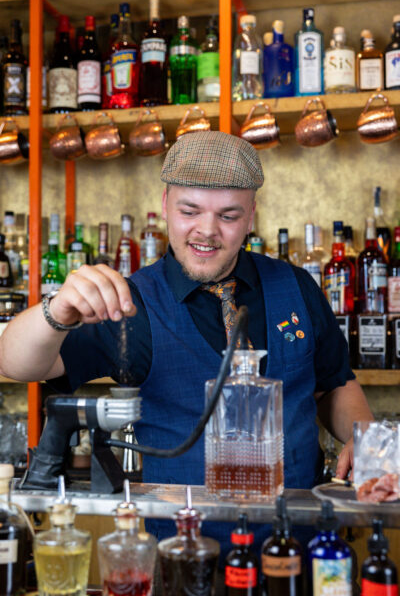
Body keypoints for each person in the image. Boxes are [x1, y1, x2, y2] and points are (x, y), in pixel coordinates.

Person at [0, 131, 373, 553]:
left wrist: (364, 441)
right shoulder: (131, 302)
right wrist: (57, 311)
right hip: (182, 553)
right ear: (164, 207)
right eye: (189, 210)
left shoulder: (296, 286)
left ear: (252, 215)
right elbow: (15, 363)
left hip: (300, 549)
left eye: (229, 216)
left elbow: (334, 384)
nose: (207, 231)